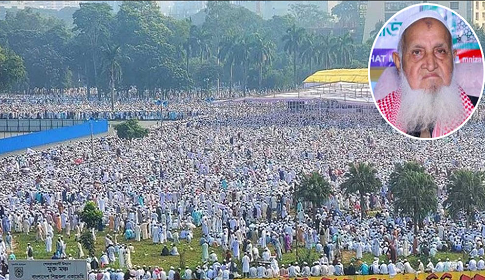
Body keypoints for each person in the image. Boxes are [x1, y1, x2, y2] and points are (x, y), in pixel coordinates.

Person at [375, 10, 475, 138]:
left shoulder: (472, 108)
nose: (431, 65)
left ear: (453, 59)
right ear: (399, 62)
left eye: (440, 51)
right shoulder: (383, 111)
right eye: (417, 52)